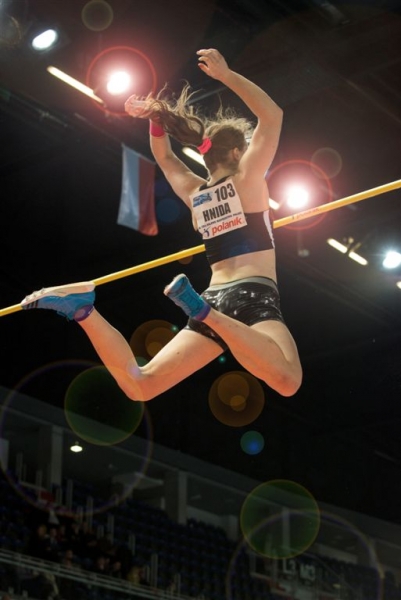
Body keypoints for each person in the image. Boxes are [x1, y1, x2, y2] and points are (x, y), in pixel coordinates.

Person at [21, 48, 302, 399]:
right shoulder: (246, 179)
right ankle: (205, 313)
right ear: (236, 152)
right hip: (252, 294)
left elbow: (165, 157)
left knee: (141, 385)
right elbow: (272, 116)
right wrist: (226, 75)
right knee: (288, 381)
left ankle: (83, 311)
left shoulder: (196, 194)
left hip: (215, 294)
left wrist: (157, 119)